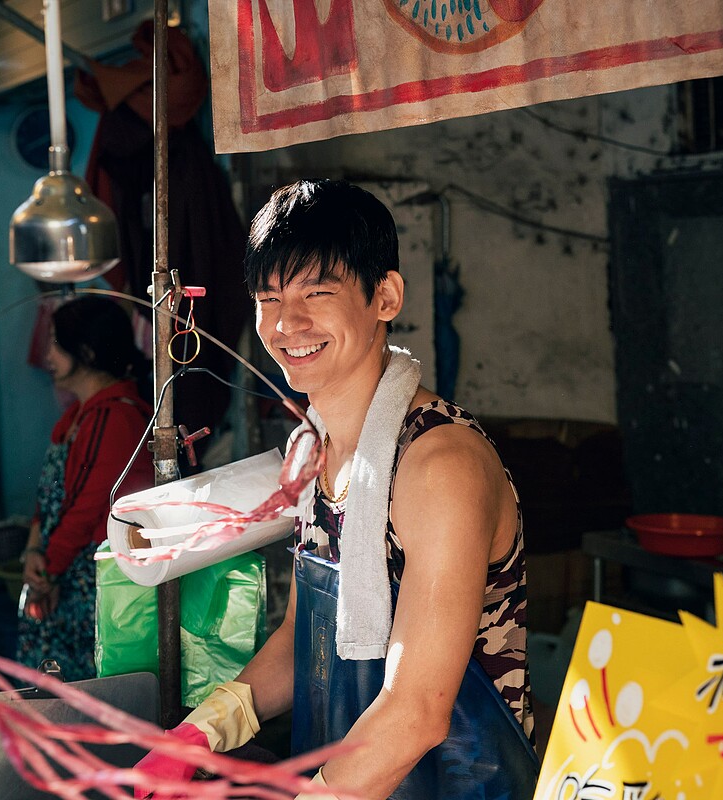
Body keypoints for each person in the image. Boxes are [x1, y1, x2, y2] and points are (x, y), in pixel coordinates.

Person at [136, 180, 537, 799]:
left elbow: (419, 711)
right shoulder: (314, 451)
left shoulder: (438, 466)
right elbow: (304, 640)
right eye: (268, 297)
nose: (287, 324)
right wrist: (205, 729)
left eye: (316, 293)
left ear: (385, 296)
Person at [18, 295, 153, 683]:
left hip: (90, 582)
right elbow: (48, 500)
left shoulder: (117, 417)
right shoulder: (78, 415)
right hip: (58, 569)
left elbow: (88, 508)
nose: (48, 353)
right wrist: (34, 550)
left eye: (57, 343)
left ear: (88, 352)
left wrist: (50, 568)